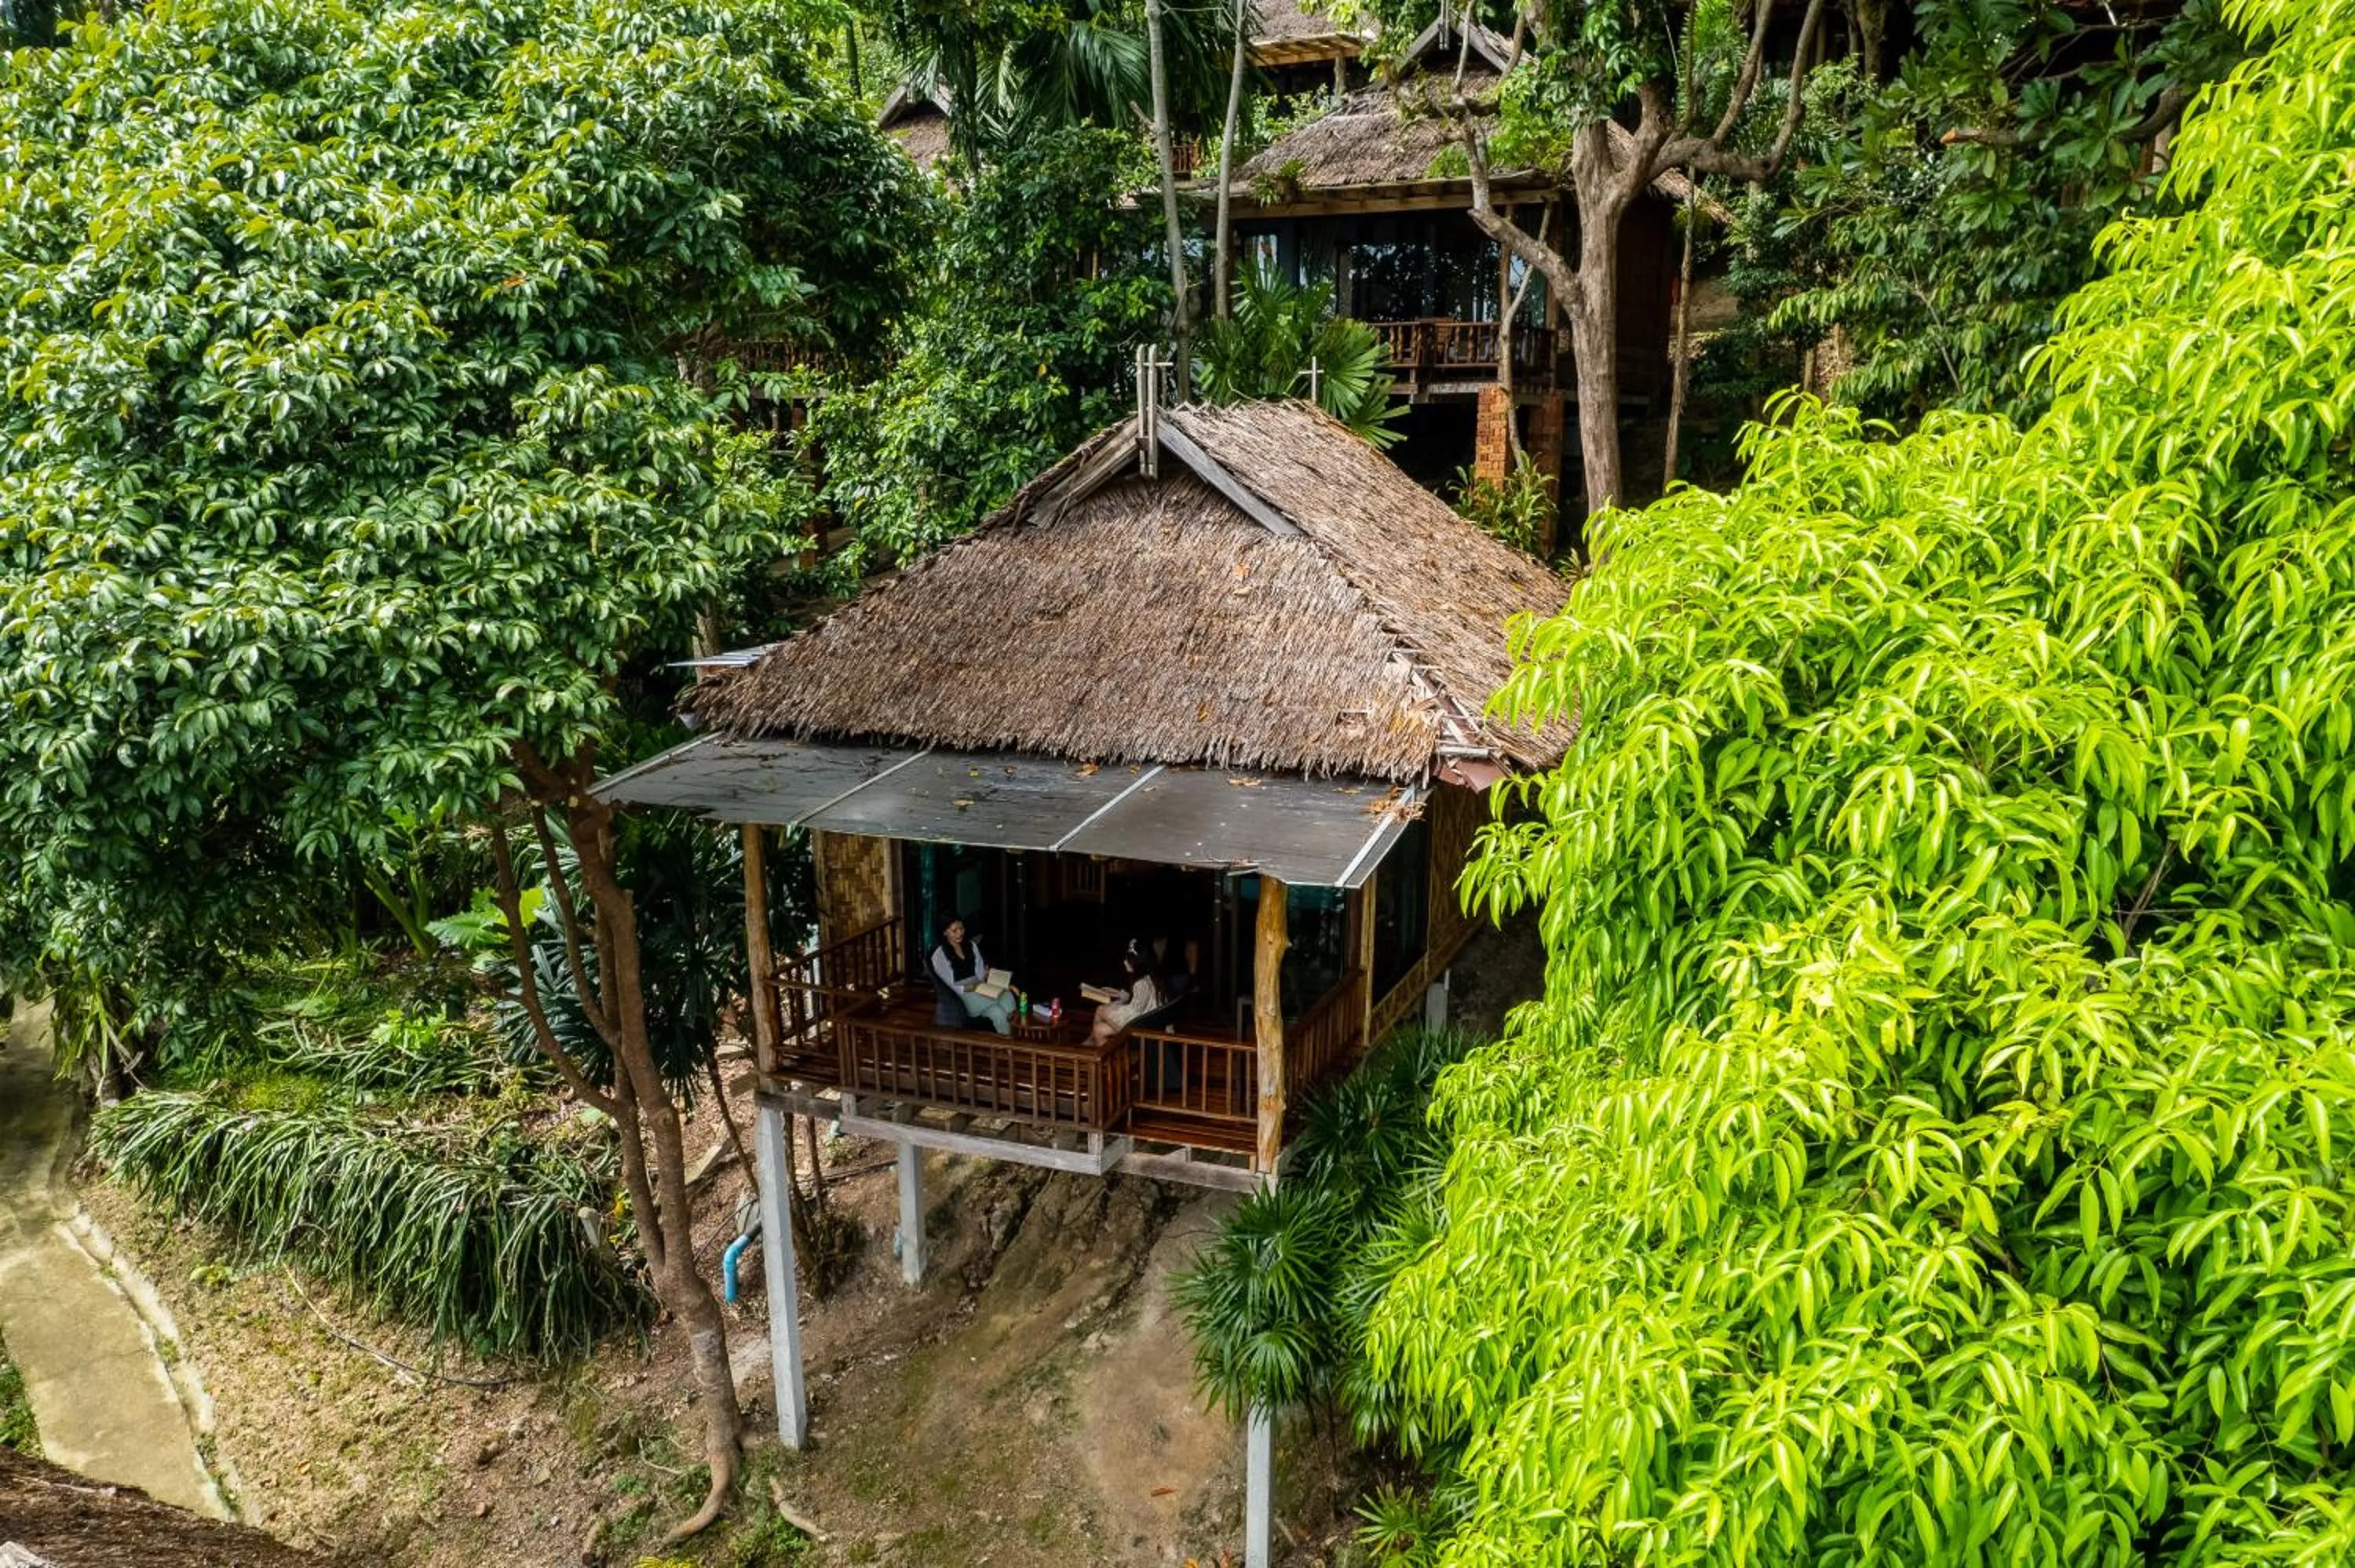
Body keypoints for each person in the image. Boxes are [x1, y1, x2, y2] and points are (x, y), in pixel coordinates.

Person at [930, 917, 1013, 1034]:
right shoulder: (939, 955)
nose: (960, 933)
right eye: (954, 931)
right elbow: (951, 984)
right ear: (945, 932)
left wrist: (986, 974)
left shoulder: (971, 945)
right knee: (1006, 995)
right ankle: (1017, 1035)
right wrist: (971, 987)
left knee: (998, 1013)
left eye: (961, 928)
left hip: (979, 987)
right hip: (964, 993)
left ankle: (1009, 1047)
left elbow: (979, 975)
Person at [1087, 949, 1163, 1048]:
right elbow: (1139, 1001)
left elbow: (1132, 1016)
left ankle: (1093, 1045)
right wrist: (1119, 994)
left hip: (1140, 1030)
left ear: (1138, 964)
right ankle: (1092, 1041)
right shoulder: (1149, 977)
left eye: (1129, 960)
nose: (1125, 962)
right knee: (1099, 1028)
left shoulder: (1140, 984)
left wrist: (1108, 1013)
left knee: (1101, 1012)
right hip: (1145, 1024)